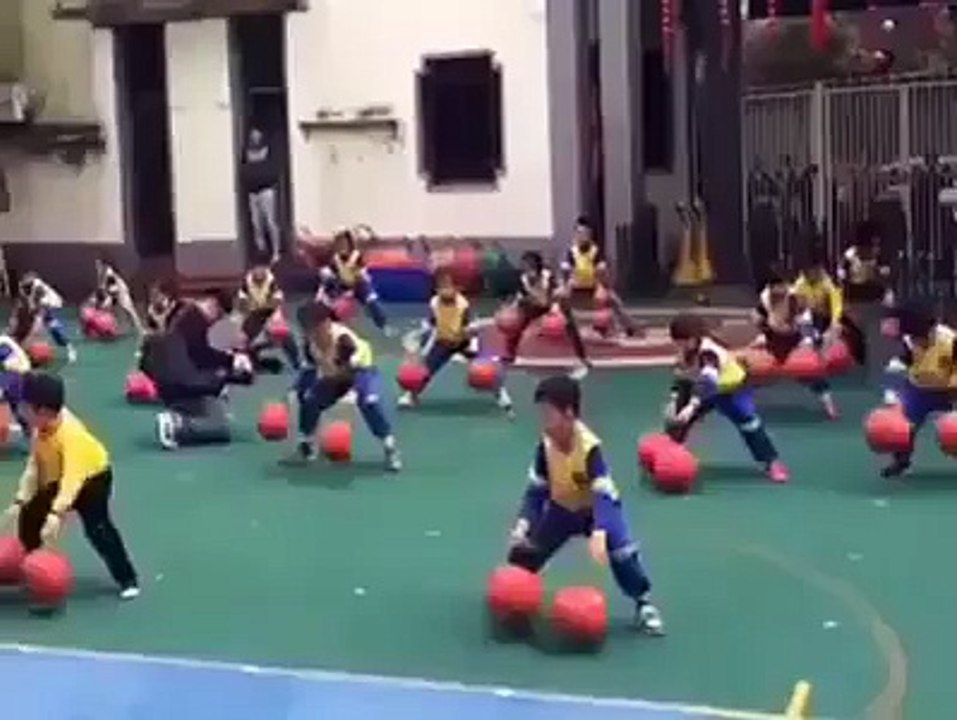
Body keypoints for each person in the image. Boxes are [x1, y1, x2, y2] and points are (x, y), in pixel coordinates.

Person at [506, 375, 664, 635]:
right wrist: (523, 524)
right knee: (523, 555)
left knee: (623, 554)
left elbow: (604, 496)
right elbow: (536, 493)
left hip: (597, 513)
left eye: (548, 414)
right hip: (561, 511)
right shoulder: (545, 447)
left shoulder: (590, 448)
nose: (543, 421)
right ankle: (518, 600)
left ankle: (643, 603)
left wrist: (601, 530)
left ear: (569, 414)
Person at [4, 372, 139, 599]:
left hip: (93, 479)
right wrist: (20, 499)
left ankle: (127, 579)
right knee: (30, 514)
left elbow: (72, 480)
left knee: (98, 529)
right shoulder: (41, 426)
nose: (19, 411)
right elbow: (34, 466)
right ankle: (31, 565)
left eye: (24, 406)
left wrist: (56, 514)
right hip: (59, 477)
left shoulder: (71, 435)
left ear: (42, 411)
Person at [667, 312, 789, 483]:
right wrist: (675, 400)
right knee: (677, 421)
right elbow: (682, 379)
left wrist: (692, 406)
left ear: (695, 338)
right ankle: (670, 457)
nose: (681, 345)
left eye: (685, 341)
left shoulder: (708, 353)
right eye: (678, 341)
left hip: (732, 390)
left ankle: (771, 462)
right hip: (703, 390)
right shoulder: (683, 353)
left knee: (749, 424)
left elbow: (708, 381)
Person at [289, 301, 401, 471]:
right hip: (336, 376)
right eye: (307, 329)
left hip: (362, 370)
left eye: (316, 327)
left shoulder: (344, 341)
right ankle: (306, 443)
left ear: (327, 323)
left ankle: (390, 447)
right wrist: (299, 391)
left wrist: (340, 392)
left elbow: (347, 373)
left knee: (369, 402)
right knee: (309, 399)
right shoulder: (310, 346)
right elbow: (309, 374)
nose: (313, 333)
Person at [397, 266, 513, 416]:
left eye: (448, 287)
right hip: (443, 342)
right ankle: (411, 395)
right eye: (441, 287)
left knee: (486, 369)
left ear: (456, 288)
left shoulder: (462, 304)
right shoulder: (434, 302)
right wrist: (421, 341)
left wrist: (472, 344)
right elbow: (433, 323)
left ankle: (500, 393)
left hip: (463, 341)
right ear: (436, 290)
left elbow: (470, 327)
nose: (445, 290)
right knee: (425, 371)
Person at [152, 289, 253, 450]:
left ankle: (180, 418)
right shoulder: (194, 321)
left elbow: (202, 356)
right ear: (214, 305)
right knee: (221, 428)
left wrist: (230, 363)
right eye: (219, 316)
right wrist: (231, 374)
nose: (216, 322)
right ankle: (177, 426)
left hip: (170, 384)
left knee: (216, 411)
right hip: (182, 386)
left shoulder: (184, 317)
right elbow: (202, 361)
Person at [881, 302, 957, 478]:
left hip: (950, 390)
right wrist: (891, 393)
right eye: (913, 338)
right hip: (919, 389)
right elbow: (900, 363)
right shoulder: (908, 341)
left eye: (919, 338)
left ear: (929, 330)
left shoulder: (950, 340)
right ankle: (901, 462)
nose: (916, 342)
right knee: (903, 426)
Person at [754, 272, 838, 419]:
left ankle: (829, 405)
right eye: (774, 289)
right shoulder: (765, 298)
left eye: (781, 288)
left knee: (812, 374)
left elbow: (806, 326)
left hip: (797, 337)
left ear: (785, 287)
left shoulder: (797, 300)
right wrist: (764, 332)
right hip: (774, 338)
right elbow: (758, 318)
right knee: (755, 367)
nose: (778, 292)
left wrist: (809, 343)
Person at [501, 251, 590, 379]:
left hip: (554, 301)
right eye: (525, 265)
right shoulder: (522, 279)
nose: (527, 268)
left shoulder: (547, 276)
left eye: (530, 265)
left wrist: (555, 308)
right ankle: (510, 355)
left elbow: (555, 294)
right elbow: (522, 297)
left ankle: (582, 357)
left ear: (537, 266)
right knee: (517, 323)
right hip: (536, 304)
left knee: (570, 326)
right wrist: (513, 308)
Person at [559, 217, 636, 336]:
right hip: (575, 287)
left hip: (593, 286)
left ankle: (628, 327)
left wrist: (601, 285)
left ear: (590, 235)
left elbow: (602, 271)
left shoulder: (596, 251)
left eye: (585, 233)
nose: (582, 236)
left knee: (613, 299)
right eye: (580, 233)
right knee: (558, 295)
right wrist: (567, 281)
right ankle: (564, 326)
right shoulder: (571, 251)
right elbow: (565, 269)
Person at [792, 255, 867, 366]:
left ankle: (859, 360)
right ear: (806, 272)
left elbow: (836, 305)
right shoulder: (799, 285)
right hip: (813, 315)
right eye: (811, 272)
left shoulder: (827, 283)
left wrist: (834, 321)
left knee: (856, 334)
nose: (816, 273)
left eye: (818, 271)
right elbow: (796, 305)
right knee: (813, 336)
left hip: (830, 314)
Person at [317, 228, 391, 334]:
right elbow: (331, 277)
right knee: (325, 300)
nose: (342, 246)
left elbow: (361, 275)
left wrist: (355, 284)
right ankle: (328, 326)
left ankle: (383, 325)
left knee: (372, 303)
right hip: (342, 286)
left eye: (344, 243)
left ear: (349, 243)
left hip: (359, 284)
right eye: (339, 243)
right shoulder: (335, 259)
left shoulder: (356, 256)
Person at [236, 264, 300, 373]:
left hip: (270, 316)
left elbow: (277, 301)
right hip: (253, 317)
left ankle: (295, 363)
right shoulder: (246, 284)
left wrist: (272, 318)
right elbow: (242, 303)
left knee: (285, 336)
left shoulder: (273, 283)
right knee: (243, 342)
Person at [15, 272, 77, 363]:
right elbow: (28, 300)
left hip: (51, 306)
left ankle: (70, 349)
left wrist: (36, 314)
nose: (24, 289)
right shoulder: (29, 286)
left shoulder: (42, 295)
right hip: (41, 306)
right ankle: (20, 348)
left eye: (25, 287)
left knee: (54, 331)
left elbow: (38, 308)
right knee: (27, 326)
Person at [242, 127, 282, 263]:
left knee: (270, 221)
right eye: (252, 136)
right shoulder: (247, 153)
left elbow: (273, 170)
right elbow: (244, 169)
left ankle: (276, 251)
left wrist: (269, 180)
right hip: (252, 192)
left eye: (257, 136)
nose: (254, 139)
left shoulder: (268, 151)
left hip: (266, 190)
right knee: (256, 223)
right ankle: (262, 250)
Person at [837, 222, 893, 305]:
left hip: (874, 291)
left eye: (876, 246)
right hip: (853, 292)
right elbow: (841, 271)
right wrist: (843, 275)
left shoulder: (879, 256)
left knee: (888, 294)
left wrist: (881, 272)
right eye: (870, 246)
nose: (874, 249)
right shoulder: (851, 254)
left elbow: (886, 273)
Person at [85, 258, 145, 335]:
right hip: (113, 293)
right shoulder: (101, 273)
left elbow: (111, 285)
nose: (97, 266)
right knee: (106, 308)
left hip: (121, 292)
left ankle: (140, 329)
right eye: (96, 265)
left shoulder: (108, 271)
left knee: (131, 311)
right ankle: (108, 327)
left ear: (103, 264)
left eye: (99, 264)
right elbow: (102, 286)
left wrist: (107, 292)